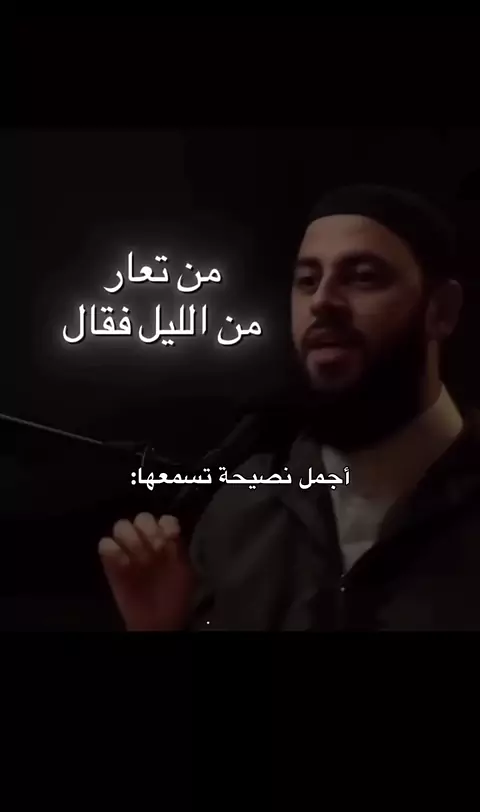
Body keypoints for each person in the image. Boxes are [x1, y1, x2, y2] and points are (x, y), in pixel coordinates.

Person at [98, 185, 480, 631]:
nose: (322, 301)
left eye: (363, 277)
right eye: (307, 281)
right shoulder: (242, 511)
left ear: (442, 311)